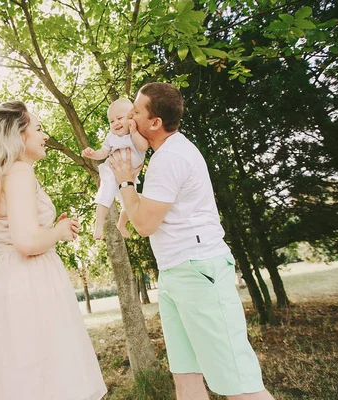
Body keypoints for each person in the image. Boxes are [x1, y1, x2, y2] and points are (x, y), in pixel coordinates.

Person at [108, 83, 275, 400]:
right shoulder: (166, 156)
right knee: (185, 377)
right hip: (175, 273)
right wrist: (129, 196)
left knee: (240, 385)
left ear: (155, 123)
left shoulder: (170, 158)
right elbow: (154, 208)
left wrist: (125, 181)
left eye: (136, 113)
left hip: (200, 272)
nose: (129, 120)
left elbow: (144, 224)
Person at [0, 101, 107, 400]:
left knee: (28, 379)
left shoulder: (8, 173)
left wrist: (52, 230)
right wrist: (57, 232)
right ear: (19, 136)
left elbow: (25, 231)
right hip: (27, 285)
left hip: (15, 281)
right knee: (43, 380)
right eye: (39, 129)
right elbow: (27, 243)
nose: (45, 136)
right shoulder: (19, 172)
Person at [81, 98, 149, 239]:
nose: (116, 123)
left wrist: (135, 132)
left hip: (129, 177)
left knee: (131, 204)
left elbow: (144, 147)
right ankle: (99, 226)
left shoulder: (135, 134)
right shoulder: (111, 137)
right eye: (111, 121)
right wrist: (93, 154)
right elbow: (103, 152)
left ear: (131, 118)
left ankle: (121, 224)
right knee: (106, 193)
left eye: (119, 118)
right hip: (112, 171)